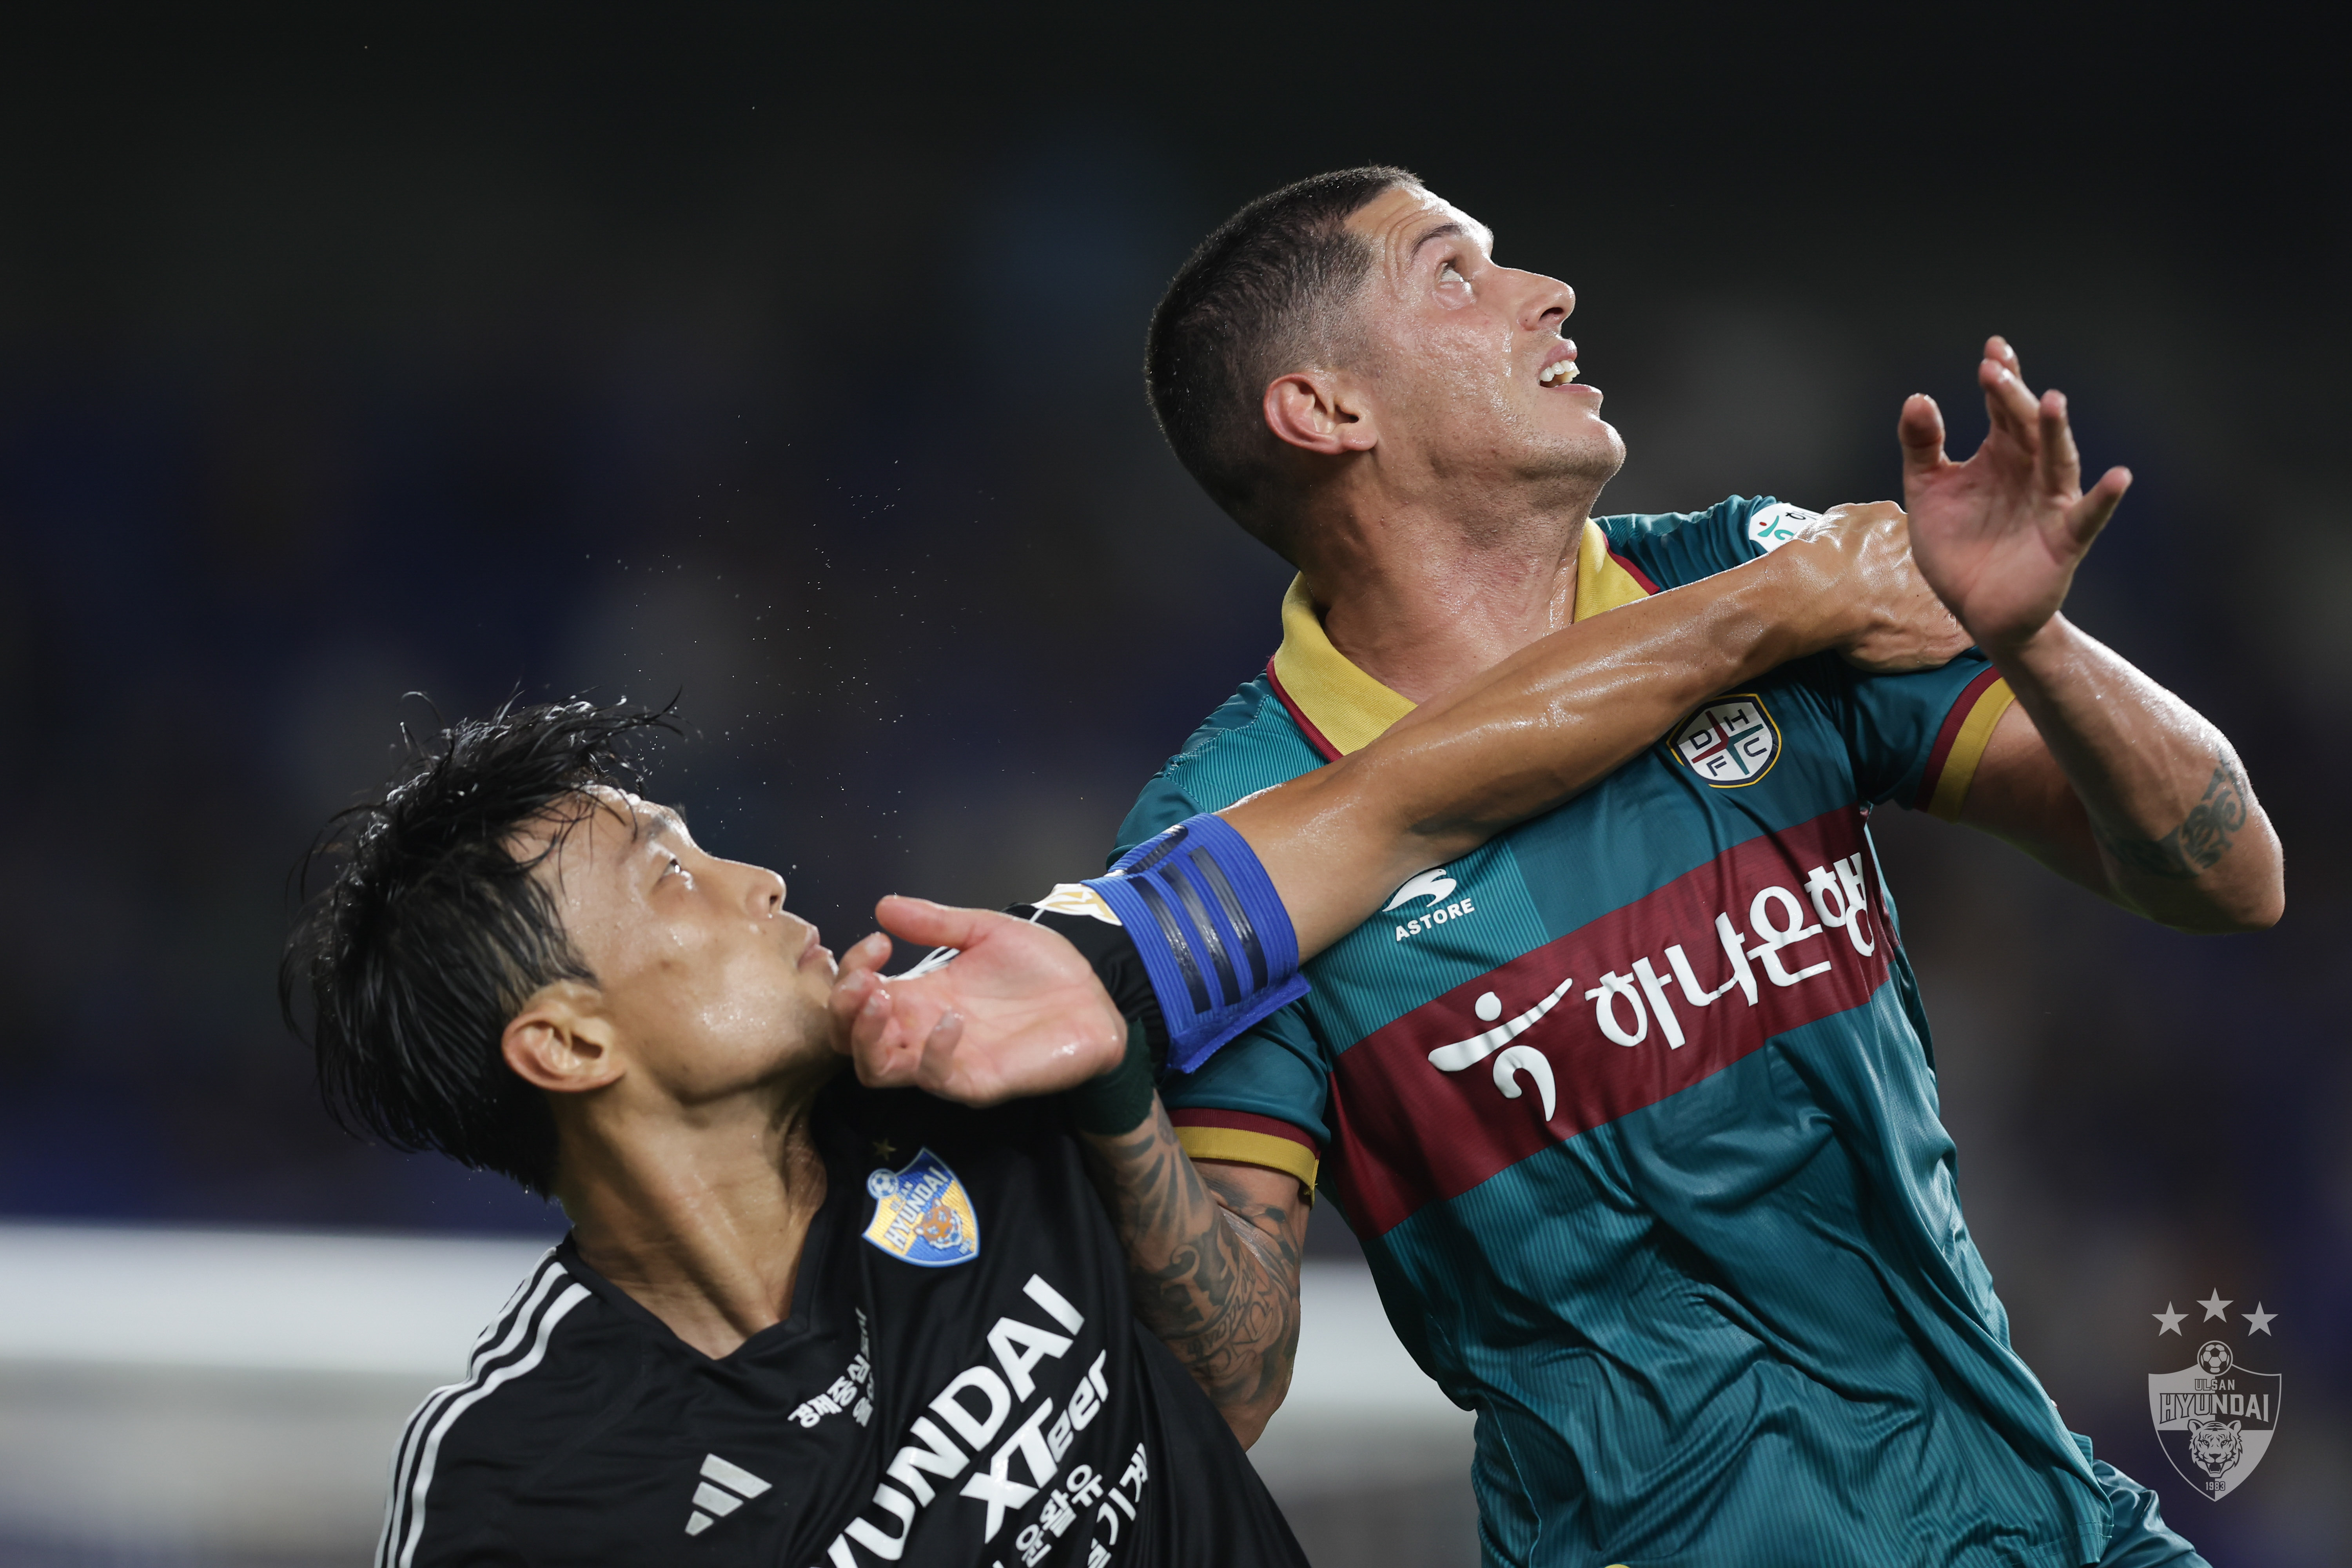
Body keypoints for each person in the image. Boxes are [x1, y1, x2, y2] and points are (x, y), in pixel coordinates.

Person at [280, 508, 1951, 1568]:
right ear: (565, 1045)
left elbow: (1397, 801)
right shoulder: (525, 1487)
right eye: (670, 874)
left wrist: (1773, 604)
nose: (756, 879)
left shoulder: (997, 1029)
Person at [1089, 168, 2281, 1566]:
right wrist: (1114, 1092)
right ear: (1325, 408)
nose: (1550, 293)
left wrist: (2039, 640)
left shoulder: (1760, 573)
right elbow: (1229, 1380)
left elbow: (2229, 877)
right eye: (1454, 272)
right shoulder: (1241, 834)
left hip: (2041, 1525)